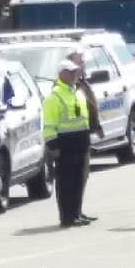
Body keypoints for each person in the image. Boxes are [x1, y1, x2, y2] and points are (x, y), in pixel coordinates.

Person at [43, 60, 92, 227]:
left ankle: (76, 213)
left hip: (80, 142)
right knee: (66, 183)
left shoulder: (77, 92)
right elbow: (49, 125)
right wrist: (53, 146)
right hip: (65, 145)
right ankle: (67, 217)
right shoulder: (54, 96)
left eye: (75, 72)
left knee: (79, 180)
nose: (74, 75)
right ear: (62, 74)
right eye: (71, 72)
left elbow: (83, 118)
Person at [66, 45, 103, 223]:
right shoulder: (69, 87)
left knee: (83, 176)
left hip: (83, 137)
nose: (83, 65)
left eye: (83, 62)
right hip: (71, 139)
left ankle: (78, 211)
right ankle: (71, 214)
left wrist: (97, 125)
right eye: (79, 62)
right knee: (73, 179)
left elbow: (91, 106)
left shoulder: (82, 83)